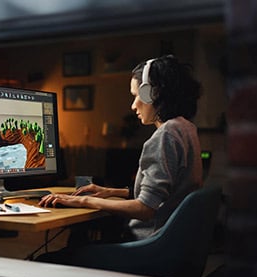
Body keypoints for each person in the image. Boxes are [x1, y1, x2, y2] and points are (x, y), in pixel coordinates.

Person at [38, 54, 204, 242]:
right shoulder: (186, 128)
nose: (133, 106)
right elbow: (168, 192)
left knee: (54, 258)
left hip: (147, 244)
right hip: (172, 242)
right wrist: (112, 192)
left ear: (152, 93)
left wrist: (83, 200)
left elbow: (145, 209)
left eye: (135, 96)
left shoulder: (166, 135)